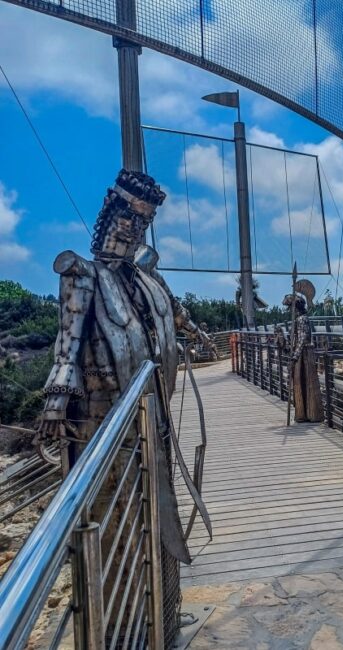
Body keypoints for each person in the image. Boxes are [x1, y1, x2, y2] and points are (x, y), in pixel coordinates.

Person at [38, 169, 210, 646]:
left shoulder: (146, 279)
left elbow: (175, 315)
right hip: (104, 424)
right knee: (112, 526)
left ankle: (161, 612)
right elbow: (67, 346)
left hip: (151, 420)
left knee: (155, 511)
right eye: (128, 218)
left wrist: (195, 333)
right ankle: (120, 627)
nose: (133, 230)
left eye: (143, 221)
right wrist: (55, 404)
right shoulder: (82, 275)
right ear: (110, 215)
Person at [282, 279, 324, 423]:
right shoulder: (297, 320)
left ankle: (311, 413)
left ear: (296, 308)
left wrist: (295, 356)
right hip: (300, 355)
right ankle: (302, 412)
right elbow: (294, 339)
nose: (289, 311)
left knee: (306, 382)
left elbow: (302, 338)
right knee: (299, 383)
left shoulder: (302, 320)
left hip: (304, 355)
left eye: (291, 308)